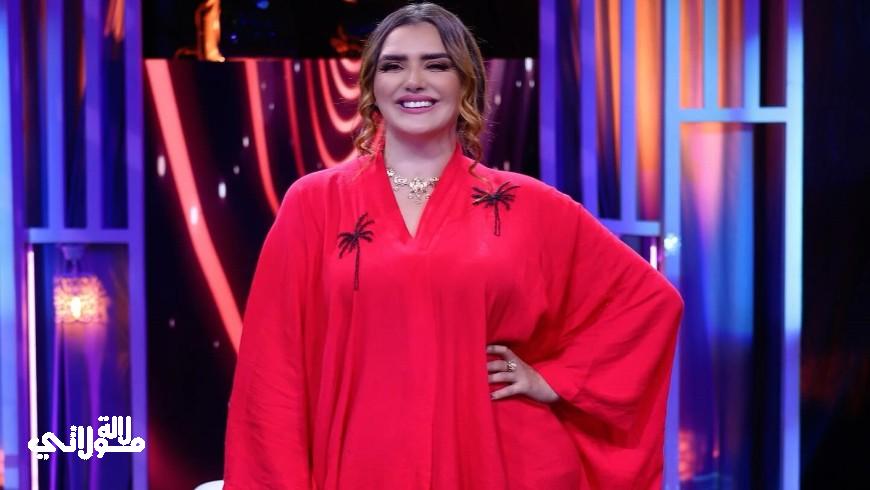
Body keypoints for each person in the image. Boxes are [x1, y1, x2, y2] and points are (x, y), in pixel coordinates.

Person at [223, 3, 683, 489]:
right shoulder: (315, 202)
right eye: (393, 65)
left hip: (501, 462)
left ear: (466, 83)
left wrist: (556, 379)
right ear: (372, 86)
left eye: (436, 65)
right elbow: (272, 366)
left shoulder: (531, 205)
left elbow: (648, 302)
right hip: (362, 463)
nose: (413, 81)